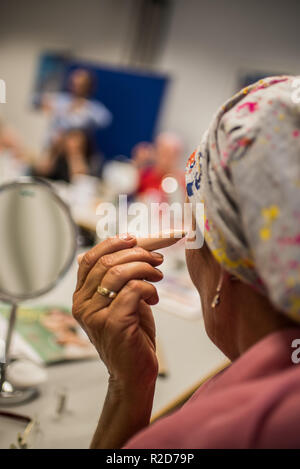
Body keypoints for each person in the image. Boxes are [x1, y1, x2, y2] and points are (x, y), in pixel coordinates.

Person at [72, 76, 300, 449]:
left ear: (228, 265)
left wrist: (124, 390)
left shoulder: (218, 432)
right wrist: (133, 383)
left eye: (193, 228)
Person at [40, 68, 112, 149]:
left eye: (81, 85)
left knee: (74, 140)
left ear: (88, 87)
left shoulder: (92, 107)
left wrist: (85, 109)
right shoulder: (61, 100)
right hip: (55, 145)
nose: (76, 88)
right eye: (74, 84)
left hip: (77, 148)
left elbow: (105, 120)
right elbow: (37, 100)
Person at [34, 129, 101, 183]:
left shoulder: (91, 161)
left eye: (77, 144)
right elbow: (43, 172)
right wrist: (55, 150)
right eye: (71, 141)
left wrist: (75, 156)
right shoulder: (60, 159)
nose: (73, 145)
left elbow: (78, 180)